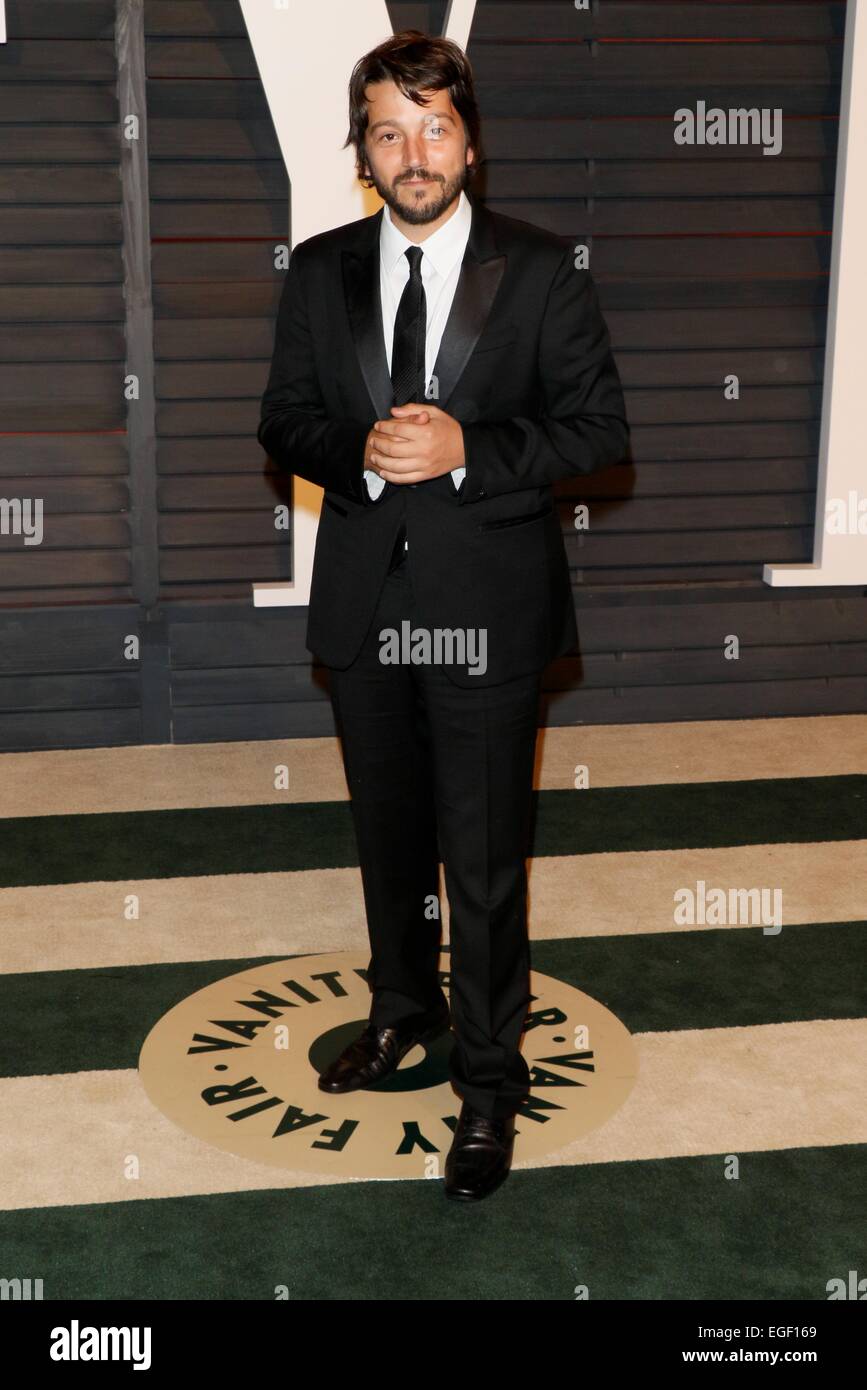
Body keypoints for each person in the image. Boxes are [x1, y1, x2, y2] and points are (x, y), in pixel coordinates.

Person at [257, 29, 629, 1201]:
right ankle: (402, 1014)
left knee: (480, 858)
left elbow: (597, 437)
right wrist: (355, 450)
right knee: (390, 839)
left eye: (434, 126)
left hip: (489, 610)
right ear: (361, 151)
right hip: (367, 605)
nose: (413, 152)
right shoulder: (318, 272)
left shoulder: (543, 269)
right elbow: (285, 419)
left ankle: (486, 1087)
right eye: (388, 130)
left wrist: (472, 447)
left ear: (470, 141)